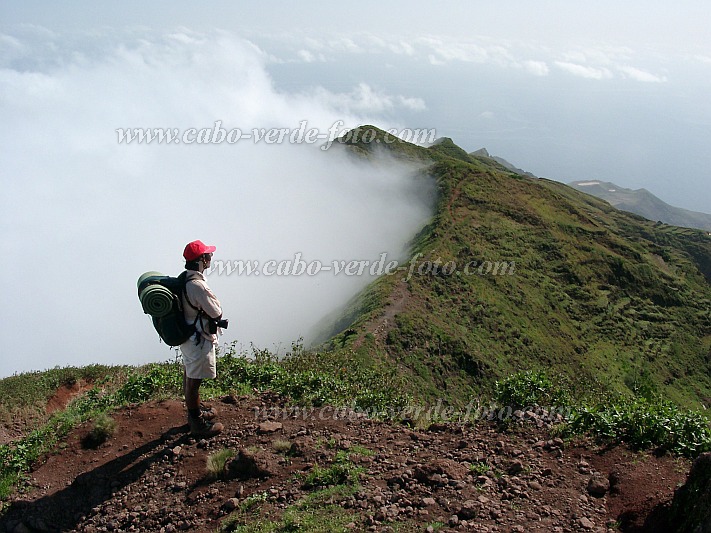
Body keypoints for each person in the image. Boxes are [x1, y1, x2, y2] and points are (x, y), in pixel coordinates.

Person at [181, 239, 225, 437]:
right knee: (194, 380)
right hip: (199, 339)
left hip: (188, 337)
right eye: (208, 255)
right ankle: (197, 424)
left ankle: (195, 413)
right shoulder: (198, 286)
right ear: (201, 260)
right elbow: (217, 313)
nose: (210, 258)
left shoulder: (185, 279)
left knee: (190, 375)